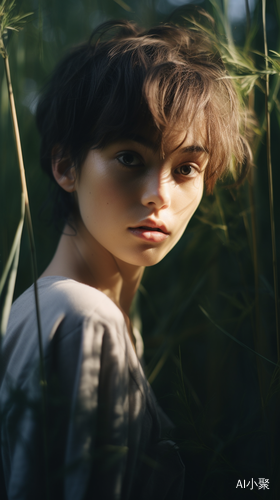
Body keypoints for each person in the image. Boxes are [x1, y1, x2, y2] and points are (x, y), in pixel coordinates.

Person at [0, 17, 251, 500]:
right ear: (65, 166)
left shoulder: (47, 310)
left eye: (186, 168)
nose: (160, 195)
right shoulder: (85, 322)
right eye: (130, 158)